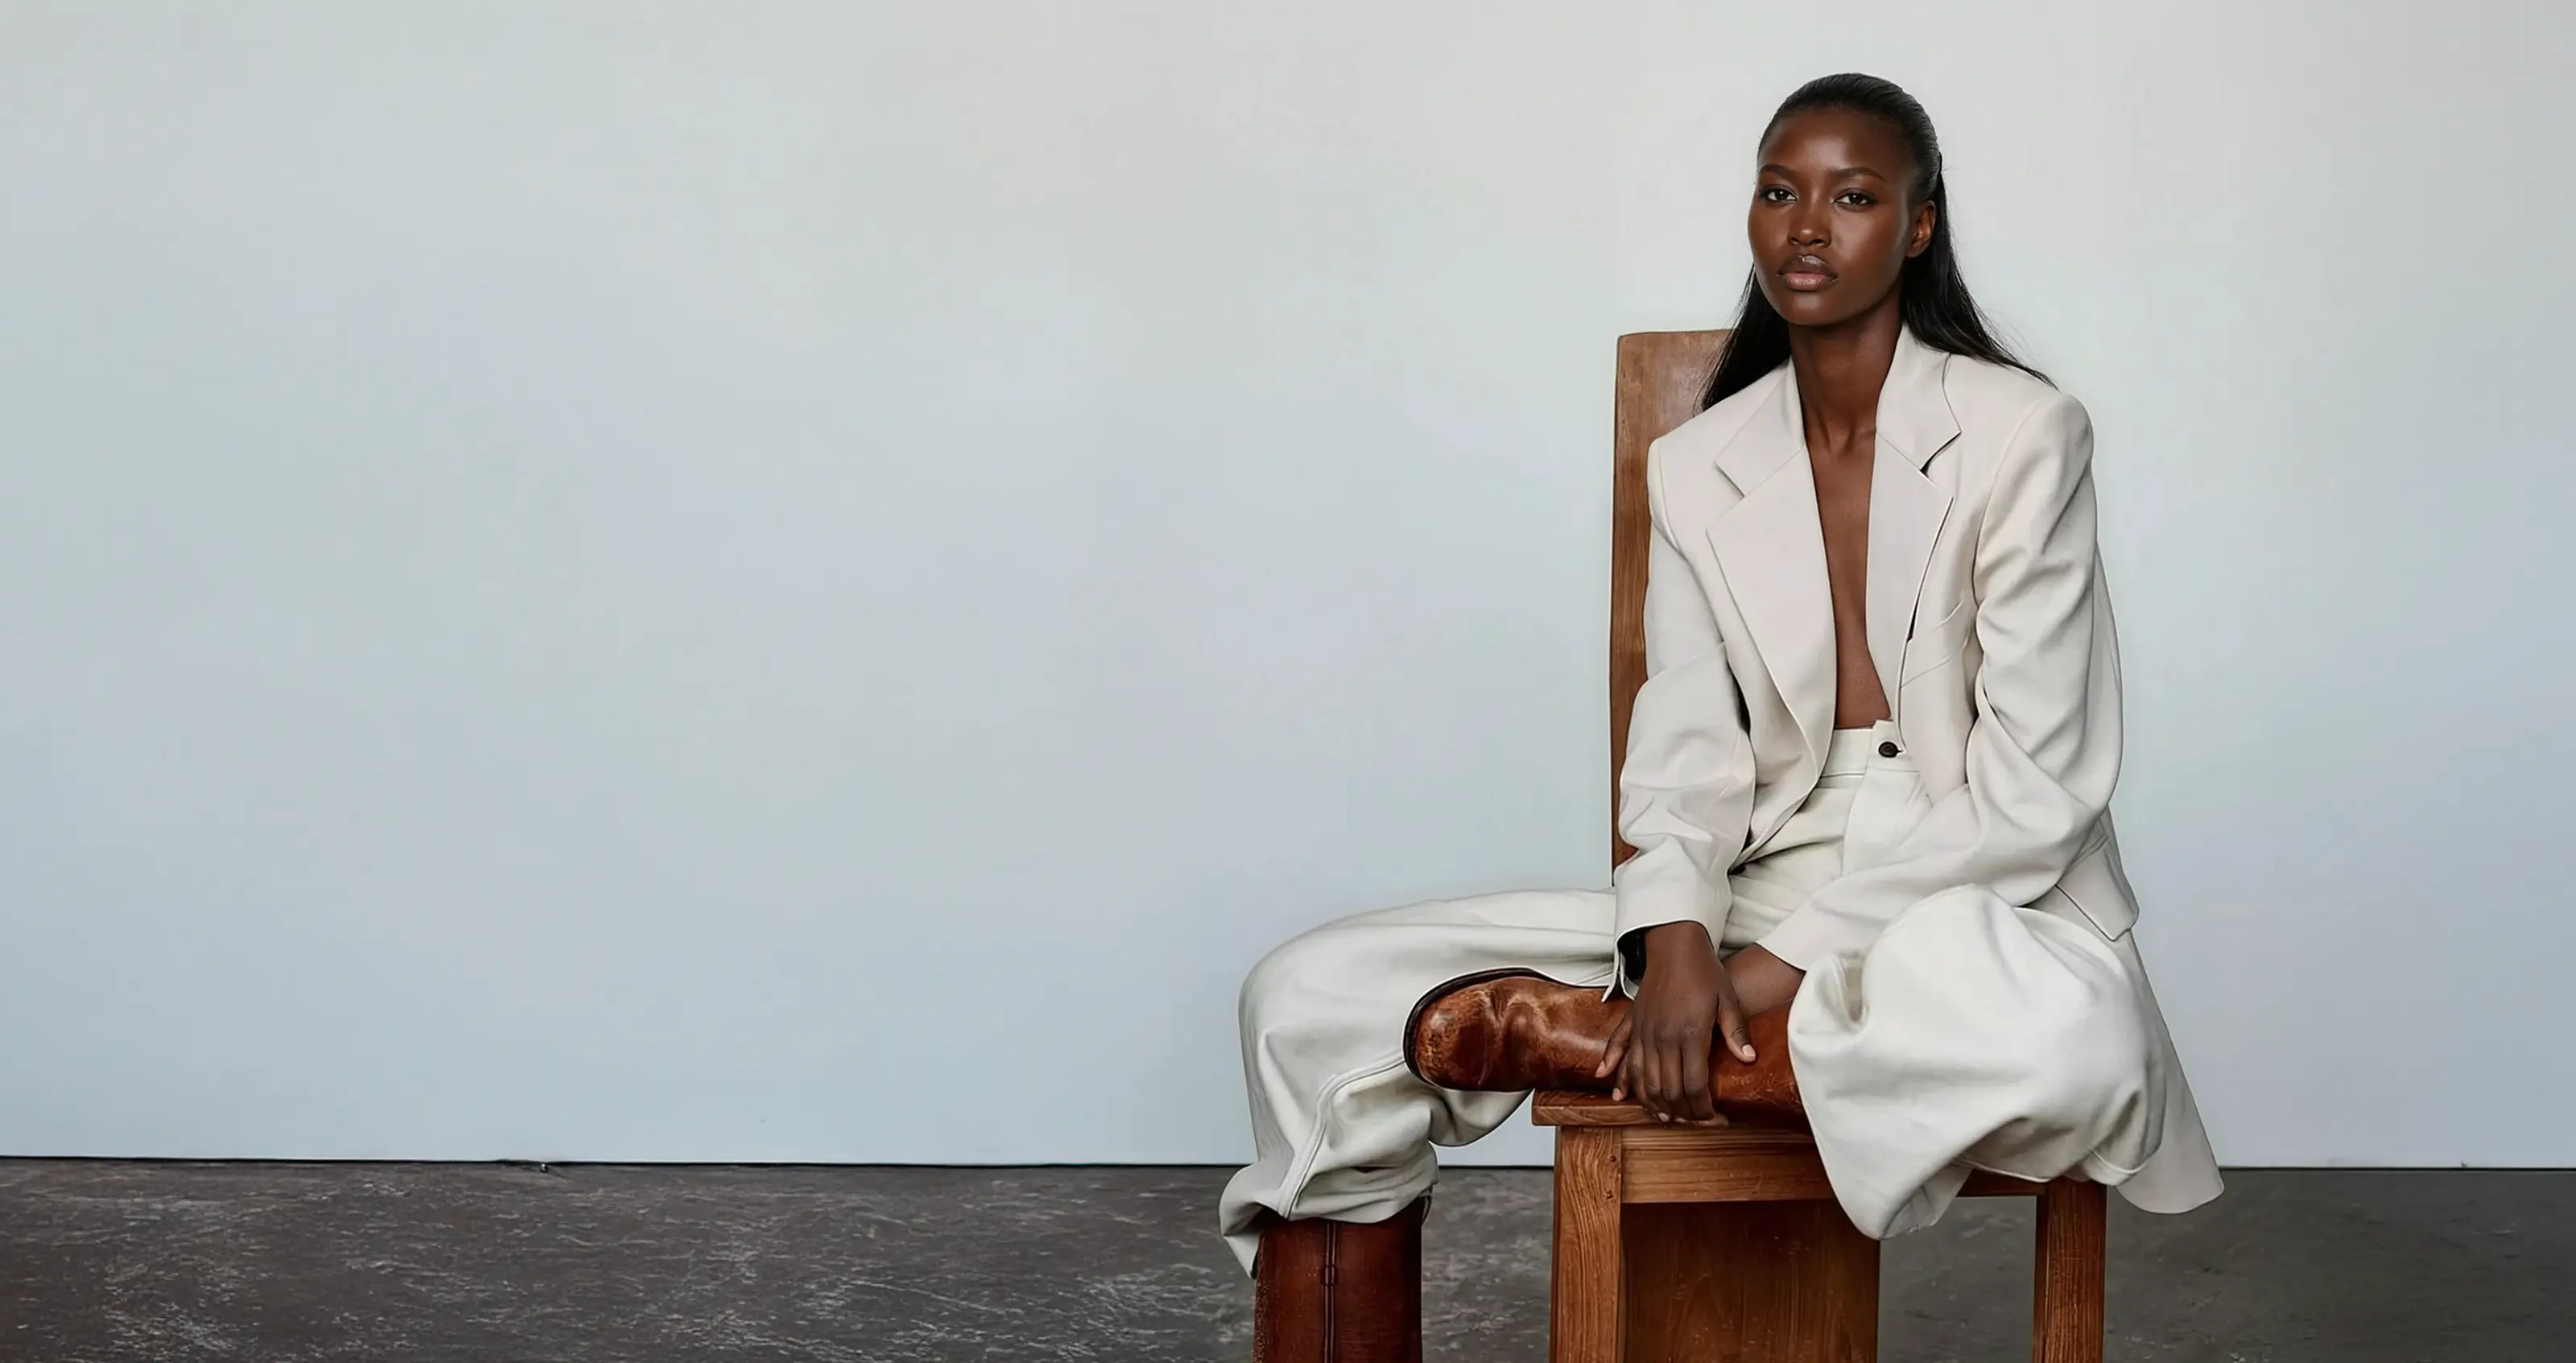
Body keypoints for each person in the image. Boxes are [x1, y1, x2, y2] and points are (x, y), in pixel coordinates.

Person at [1220, 72, 2224, 1361]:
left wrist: (1763, 975)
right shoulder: (1699, 464)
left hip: (1980, 891)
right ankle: (1659, 1032)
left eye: (1854, 196)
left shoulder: (2025, 434)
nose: (1808, 226)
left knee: (2079, 1047)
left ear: (1918, 225)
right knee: (1306, 996)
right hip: (1765, 868)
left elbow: (2038, 794)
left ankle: (1600, 1047)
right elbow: (1688, 748)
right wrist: (1682, 938)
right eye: (1779, 191)